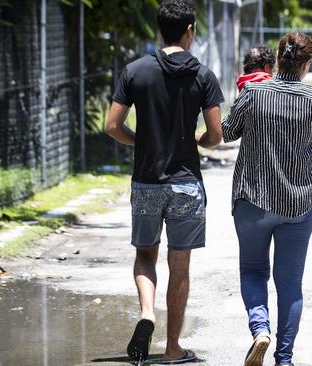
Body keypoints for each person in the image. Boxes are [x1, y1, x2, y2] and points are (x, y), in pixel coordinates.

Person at [105, 0, 224, 363]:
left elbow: (112, 126)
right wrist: (198, 142)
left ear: (160, 28)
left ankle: (146, 314)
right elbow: (215, 134)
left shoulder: (135, 71)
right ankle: (173, 349)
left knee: (145, 254)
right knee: (180, 265)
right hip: (186, 182)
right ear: (189, 29)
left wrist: (140, 140)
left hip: (146, 180)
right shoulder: (203, 75)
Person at [222, 32, 312, 366]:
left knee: (253, 272)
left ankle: (260, 330)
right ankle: (284, 359)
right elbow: (311, 138)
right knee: (290, 284)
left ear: (277, 59)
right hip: (298, 203)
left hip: (253, 199)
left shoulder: (253, 93)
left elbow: (226, 131)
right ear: (306, 64)